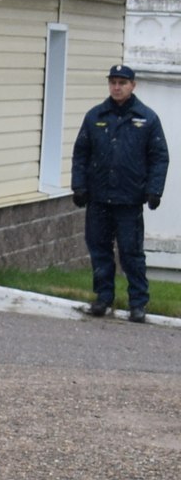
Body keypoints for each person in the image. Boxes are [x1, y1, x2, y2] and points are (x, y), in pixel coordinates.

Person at [73, 64, 167, 322]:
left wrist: (154, 190)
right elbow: (81, 153)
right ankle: (103, 298)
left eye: (122, 83)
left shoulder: (147, 118)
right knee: (100, 249)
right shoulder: (95, 116)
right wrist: (78, 186)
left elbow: (159, 158)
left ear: (132, 85)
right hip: (99, 198)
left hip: (129, 199)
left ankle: (138, 304)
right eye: (113, 82)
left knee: (131, 252)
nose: (117, 87)